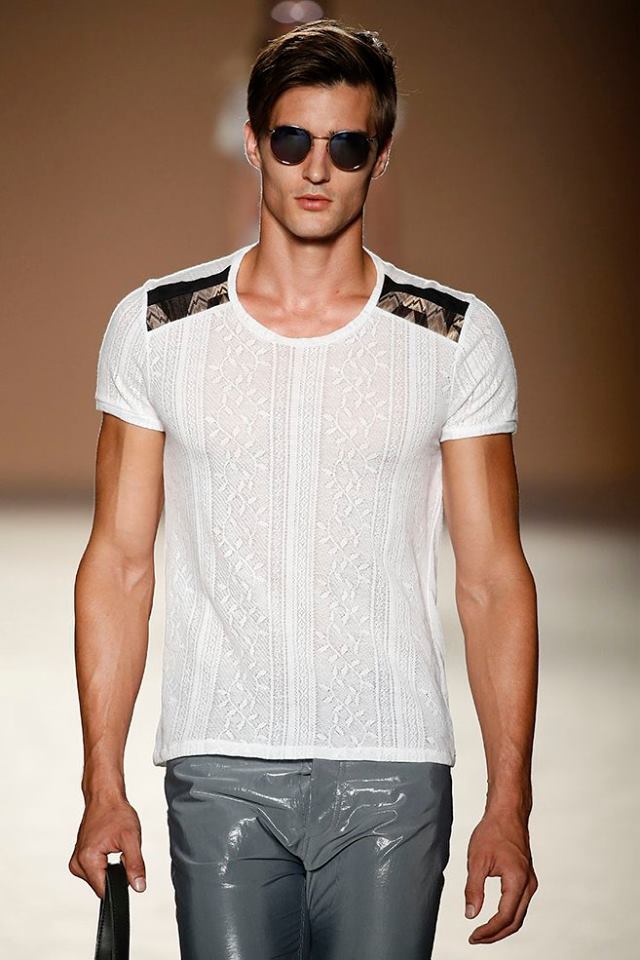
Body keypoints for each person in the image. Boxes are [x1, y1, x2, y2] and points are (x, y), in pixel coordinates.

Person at [69, 17, 539, 959]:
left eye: (346, 146)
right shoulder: (158, 328)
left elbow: (492, 579)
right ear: (253, 145)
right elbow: (119, 564)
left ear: (380, 157)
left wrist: (510, 802)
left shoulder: (453, 337)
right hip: (218, 761)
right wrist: (101, 783)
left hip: (393, 770)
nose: (316, 169)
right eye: (292, 141)